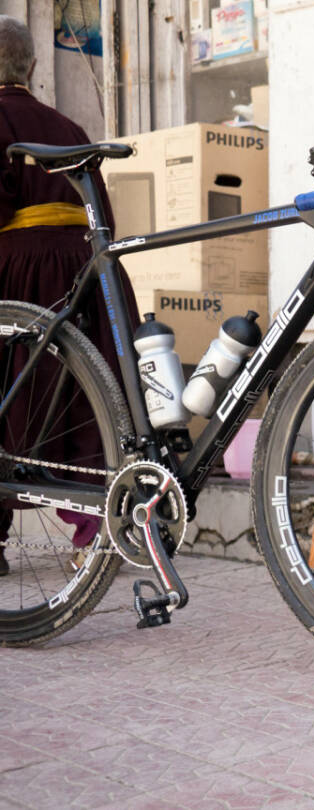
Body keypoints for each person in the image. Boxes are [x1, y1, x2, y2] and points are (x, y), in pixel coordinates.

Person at [0, 15, 139, 576]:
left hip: (15, 268)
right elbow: (98, 211)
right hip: (82, 269)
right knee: (81, 399)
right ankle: (92, 526)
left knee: (13, 395)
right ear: (32, 68)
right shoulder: (69, 124)